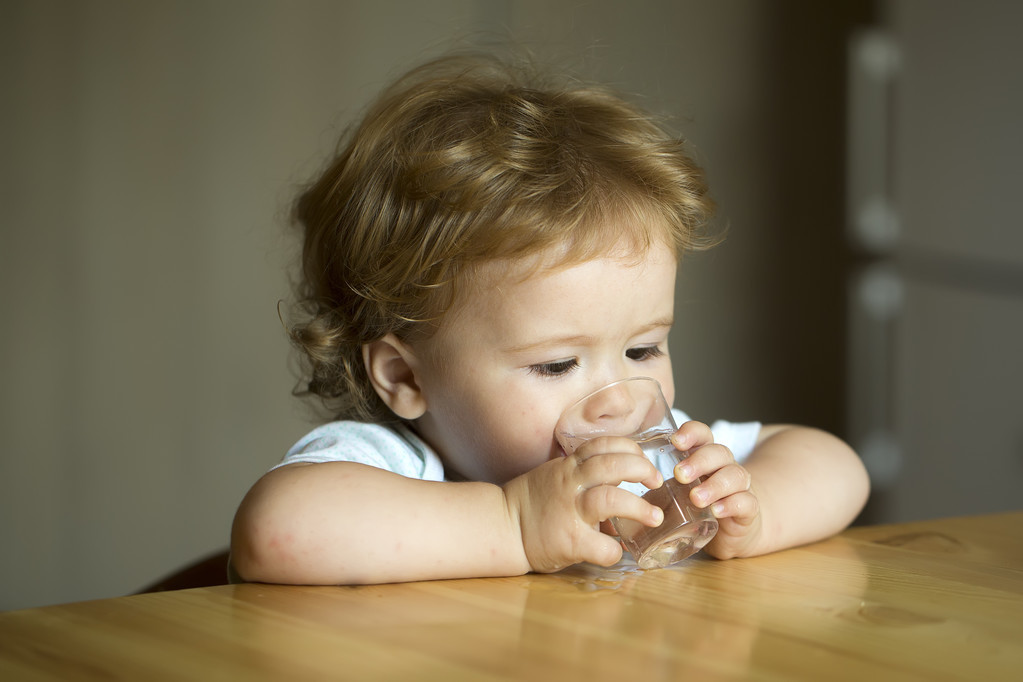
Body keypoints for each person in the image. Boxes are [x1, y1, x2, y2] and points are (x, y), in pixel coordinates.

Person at [230, 53, 870, 585]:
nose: (616, 402)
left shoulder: (661, 465)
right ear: (406, 377)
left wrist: (751, 514)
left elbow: (836, 464)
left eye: (643, 350)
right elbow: (276, 531)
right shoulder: (392, 466)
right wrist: (512, 524)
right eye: (558, 363)